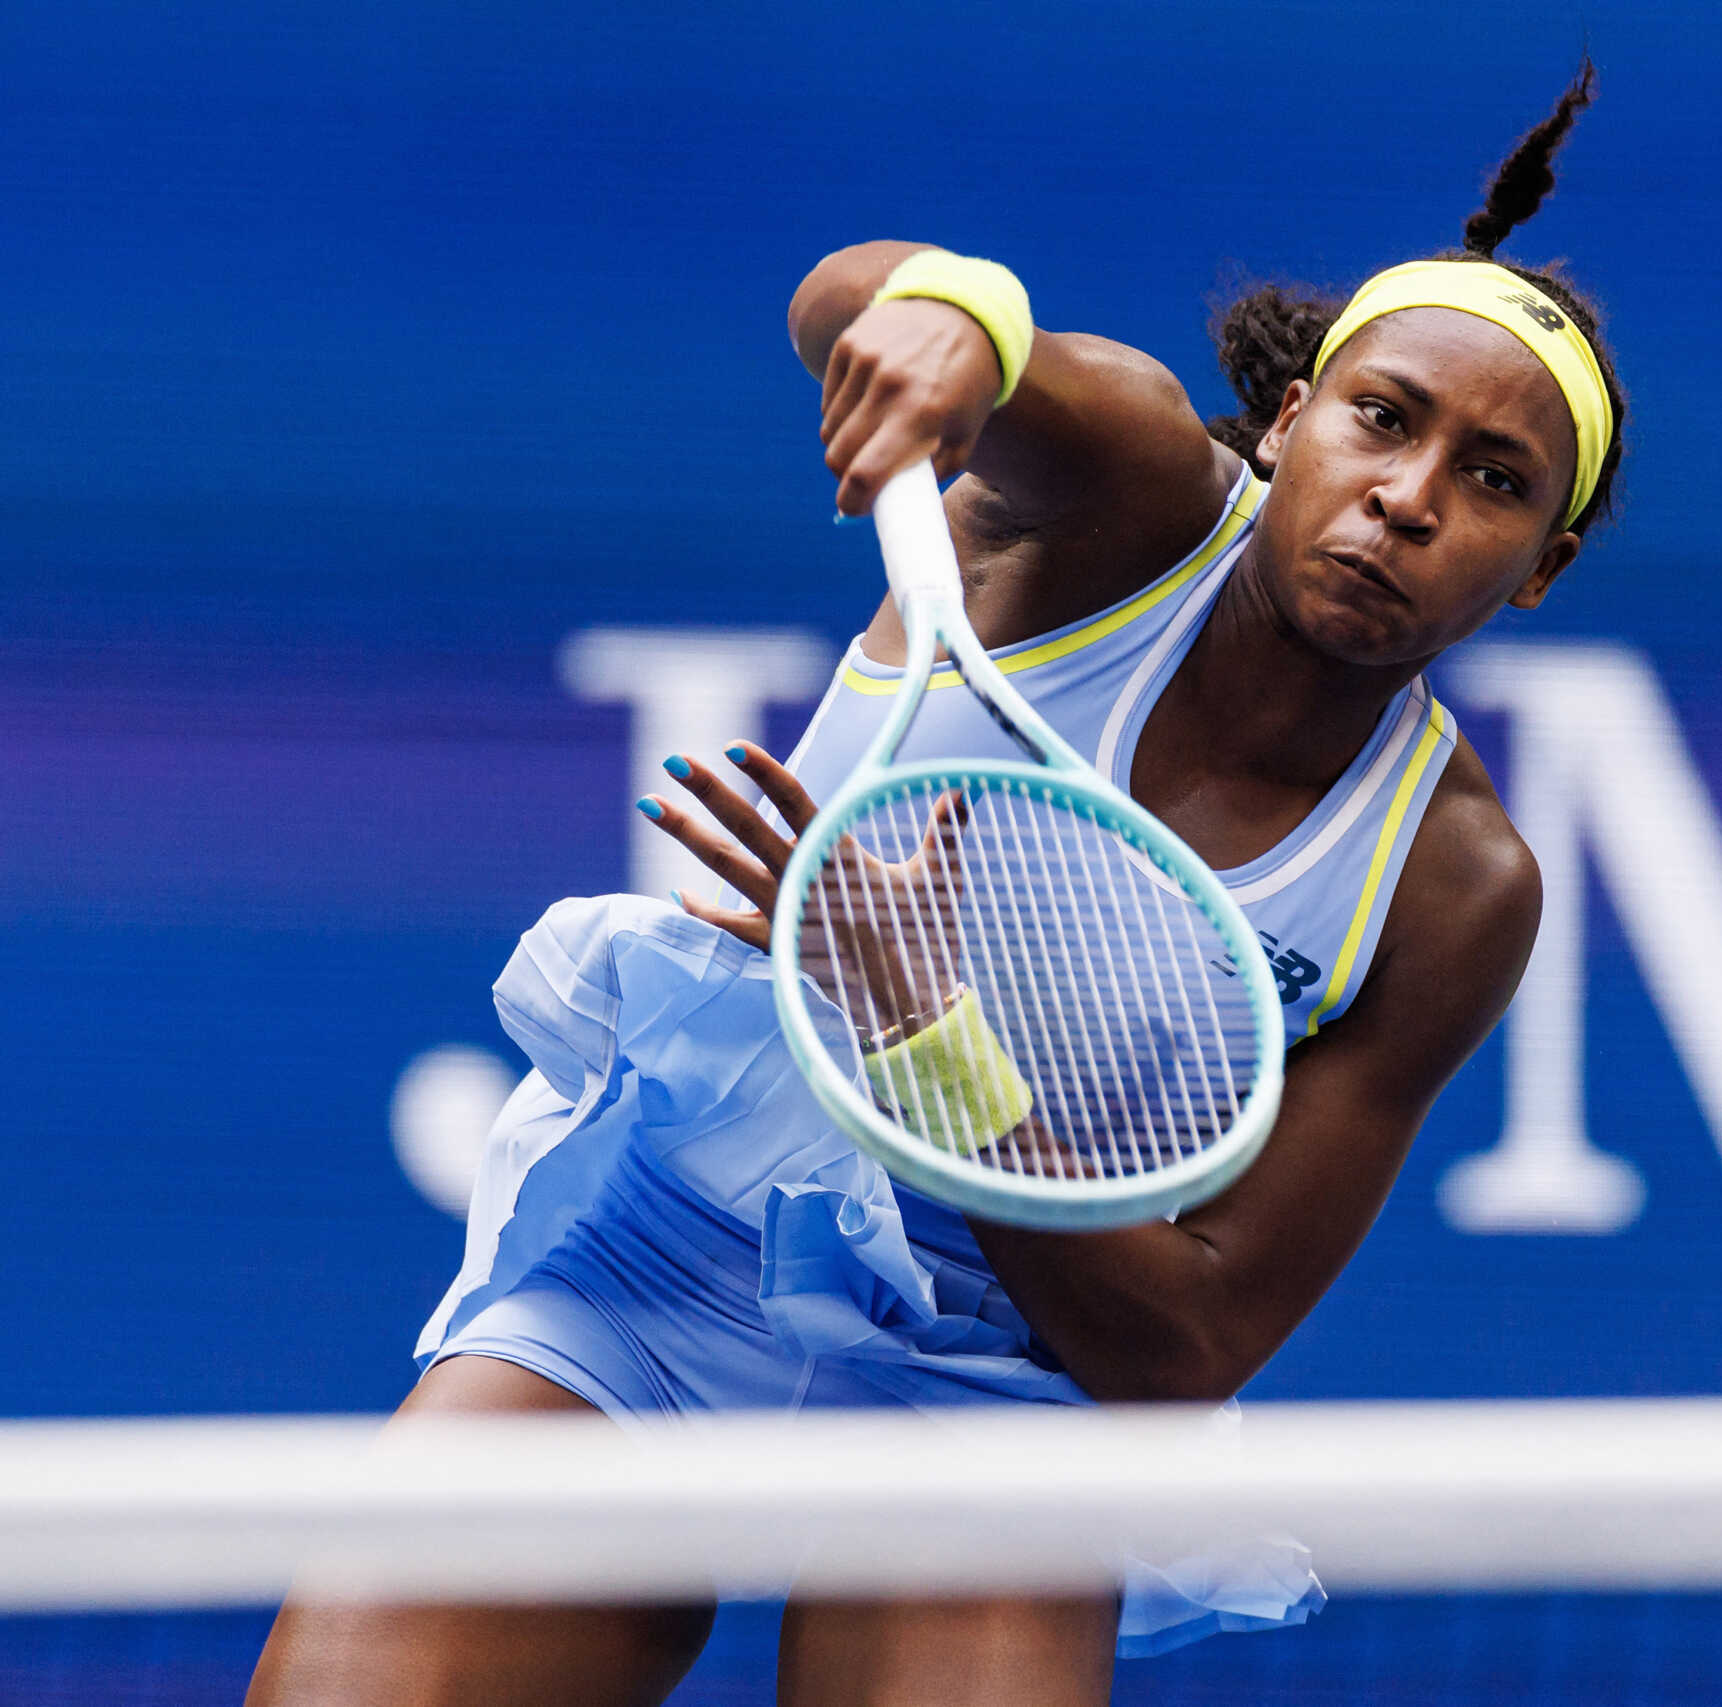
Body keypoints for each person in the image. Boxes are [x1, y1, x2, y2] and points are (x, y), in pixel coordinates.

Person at [249, 61, 1627, 1707]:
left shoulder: (1453, 883)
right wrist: (938, 327)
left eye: (1494, 482)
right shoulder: (1126, 499)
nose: (1408, 497)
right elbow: (866, 301)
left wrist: (927, 1042)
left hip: (1002, 1377)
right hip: (672, 1257)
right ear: (1287, 422)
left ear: (1540, 567)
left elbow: (1181, 1347)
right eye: (1382, 419)